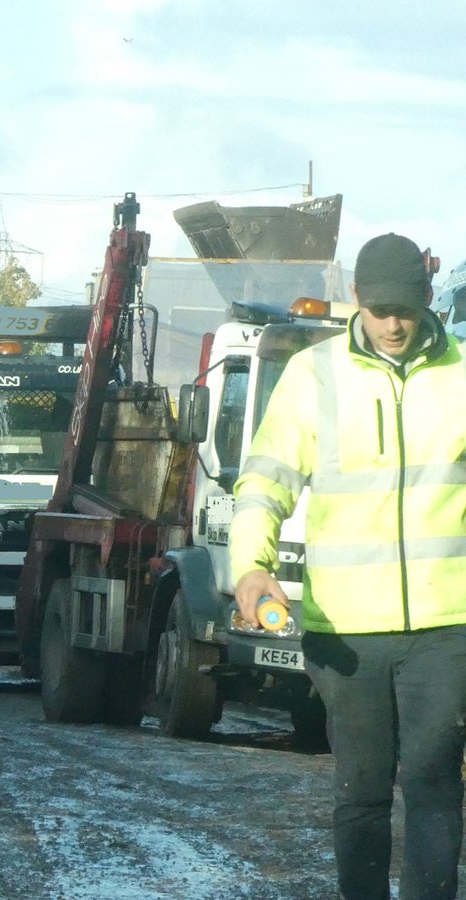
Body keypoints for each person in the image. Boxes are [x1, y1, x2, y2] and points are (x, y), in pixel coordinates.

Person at [230, 232, 466, 900]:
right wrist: (251, 566)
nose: (394, 325)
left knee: (432, 782)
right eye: (381, 309)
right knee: (361, 790)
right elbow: (265, 481)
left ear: (427, 299)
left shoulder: (463, 375)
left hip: (447, 624)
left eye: (408, 309)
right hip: (345, 631)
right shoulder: (314, 376)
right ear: (355, 299)